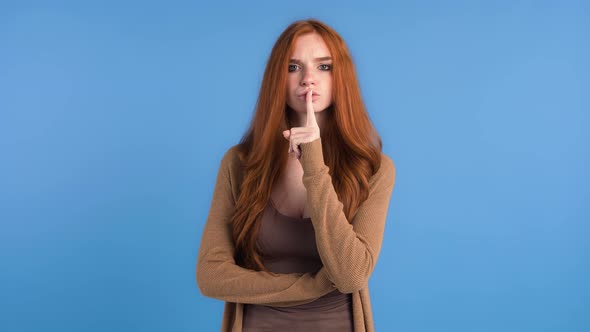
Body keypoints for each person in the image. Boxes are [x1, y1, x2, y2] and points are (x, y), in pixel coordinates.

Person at [196, 18, 396, 332]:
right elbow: (211, 276)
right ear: (277, 77)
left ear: (341, 76)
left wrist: (313, 162)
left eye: (324, 67)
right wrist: (311, 287)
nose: (308, 80)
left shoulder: (374, 168)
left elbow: (350, 275)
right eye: (293, 67)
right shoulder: (238, 163)